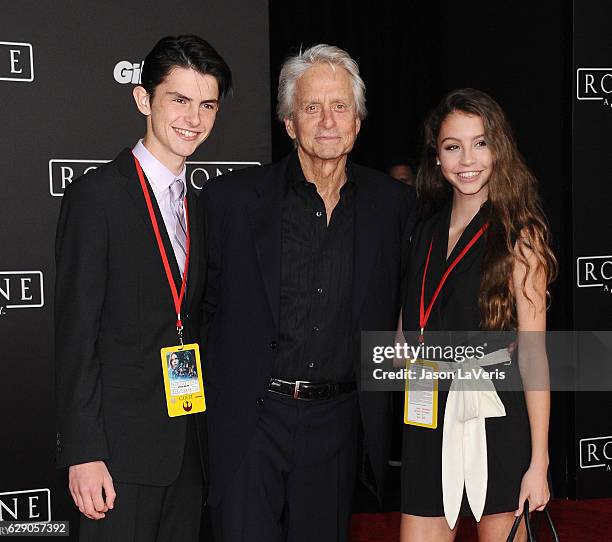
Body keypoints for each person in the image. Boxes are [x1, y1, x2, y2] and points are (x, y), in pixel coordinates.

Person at [201, 44, 416, 541]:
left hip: (337, 425)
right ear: (289, 122)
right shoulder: (229, 202)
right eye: (311, 107)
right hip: (251, 420)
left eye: (340, 106)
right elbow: (199, 313)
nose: (327, 121)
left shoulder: (396, 207)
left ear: (358, 121)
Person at [54, 35, 231, 541]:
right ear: (143, 99)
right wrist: (84, 453)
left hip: (186, 447)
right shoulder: (98, 196)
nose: (193, 119)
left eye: (207, 105)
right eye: (179, 100)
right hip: (117, 457)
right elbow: (76, 334)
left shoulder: (195, 204)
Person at [400, 88, 557, 541]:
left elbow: (534, 355)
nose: (467, 159)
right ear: (437, 157)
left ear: (499, 149)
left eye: (480, 143)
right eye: (453, 146)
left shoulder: (520, 236)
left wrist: (539, 462)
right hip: (427, 409)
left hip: (499, 411)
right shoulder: (422, 230)